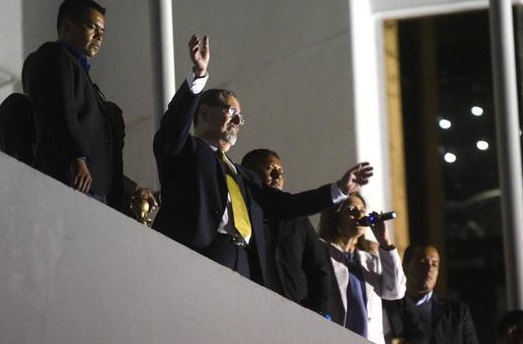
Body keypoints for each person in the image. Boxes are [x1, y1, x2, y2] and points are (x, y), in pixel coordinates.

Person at [152, 34, 373, 284]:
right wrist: (199, 76)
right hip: (201, 252)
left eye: (241, 116)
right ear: (203, 113)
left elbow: (287, 205)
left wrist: (340, 189)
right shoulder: (185, 150)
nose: (238, 120)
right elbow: (172, 127)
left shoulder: (245, 176)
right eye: (231, 111)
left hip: (245, 263)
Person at [22, 0, 155, 212]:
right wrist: (76, 157)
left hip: (93, 187)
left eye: (102, 31)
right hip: (71, 178)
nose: (99, 36)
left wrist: (131, 189)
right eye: (93, 27)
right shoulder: (55, 55)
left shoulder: (85, 77)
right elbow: (60, 110)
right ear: (67, 27)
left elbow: (97, 151)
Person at [241, 149, 333, 315]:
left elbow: (319, 268)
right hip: (251, 305)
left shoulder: (298, 220)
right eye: (269, 168)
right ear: (249, 172)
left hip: (296, 311)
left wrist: (320, 312)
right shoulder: (241, 209)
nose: (277, 176)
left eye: (281, 171)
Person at [386, 243, 486, 344]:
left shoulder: (457, 313)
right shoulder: (389, 306)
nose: (429, 269)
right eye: (421, 262)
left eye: (434, 264)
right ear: (405, 265)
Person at [318, 193, 407, 344]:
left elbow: (395, 292)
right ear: (334, 216)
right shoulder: (321, 250)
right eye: (351, 210)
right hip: (334, 342)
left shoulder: (372, 256)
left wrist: (385, 243)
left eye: (362, 210)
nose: (359, 215)